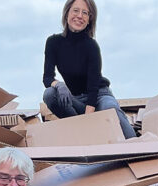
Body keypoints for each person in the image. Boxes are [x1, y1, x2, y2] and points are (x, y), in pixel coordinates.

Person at [41, 0, 137, 139]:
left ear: (89, 20)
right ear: (67, 13)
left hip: (99, 96)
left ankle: (136, 144)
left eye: (85, 13)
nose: (79, 16)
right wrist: (59, 85)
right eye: (76, 10)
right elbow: (47, 78)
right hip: (75, 99)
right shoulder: (53, 42)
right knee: (50, 94)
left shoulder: (91, 46)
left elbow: (93, 86)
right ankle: (82, 133)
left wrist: (89, 119)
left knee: (109, 109)